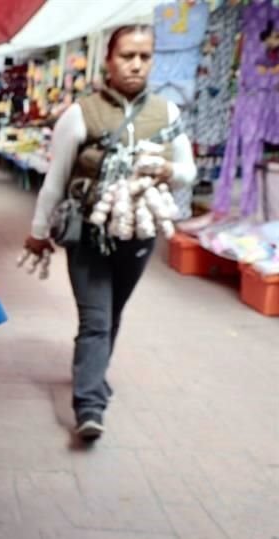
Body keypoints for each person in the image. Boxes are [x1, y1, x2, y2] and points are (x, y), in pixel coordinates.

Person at [23, 24, 196, 442]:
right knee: (97, 318)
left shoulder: (166, 113)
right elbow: (56, 178)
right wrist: (38, 231)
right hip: (89, 233)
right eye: (127, 56)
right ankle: (89, 405)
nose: (136, 64)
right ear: (109, 60)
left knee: (113, 312)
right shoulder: (81, 114)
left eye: (145, 56)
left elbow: (188, 170)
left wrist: (168, 170)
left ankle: (93, 375)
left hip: (138, 234)